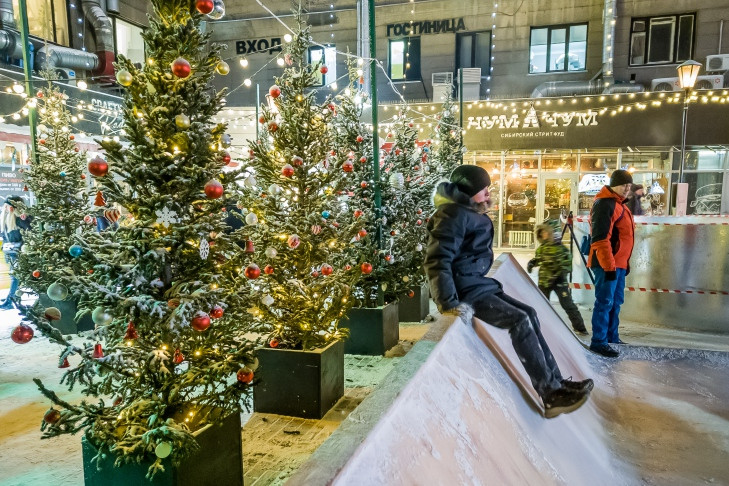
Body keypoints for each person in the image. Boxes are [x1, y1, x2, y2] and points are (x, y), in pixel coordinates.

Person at [424, 165, 593, 419]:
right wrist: (447, 301)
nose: (488, 193)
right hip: (464, 289)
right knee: (520, 320)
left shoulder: (466, 211)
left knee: (530, 313)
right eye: (484, 189)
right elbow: (438, 259)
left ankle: (556, 382)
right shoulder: (452, 214)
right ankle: (550, 394)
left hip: (476, 283)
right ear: (470, 192)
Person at [587, 169, 635, 357]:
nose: (626, 189)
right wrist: (609, 266)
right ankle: (598, 341)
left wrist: (624, 263)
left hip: (619, 264)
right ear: (614, 184)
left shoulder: (620, 205)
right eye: (624, 185)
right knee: (605, 302)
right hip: (607, 264)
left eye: (629, 186)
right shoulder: (605, 204)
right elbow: (600, 239)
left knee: (616, 302)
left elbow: (622, 238)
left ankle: (611, 337)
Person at [527, 225, 588, 335]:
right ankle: (538, 326)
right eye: (541, 233)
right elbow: (539, 260)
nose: (543, 235)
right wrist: (532, 263)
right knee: (541, 304)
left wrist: (561, 274)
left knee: (568, 304)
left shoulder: (560, 248)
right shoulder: (541, 248)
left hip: (559, 282)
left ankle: (580, 328)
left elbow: (568, 264)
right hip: (544, 282)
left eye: (545, 232)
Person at [1, 196, 31, 309]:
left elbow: (30, 232)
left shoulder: (20, 219)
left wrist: (25, 219)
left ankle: (10, 300)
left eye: (7, 206)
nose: (5, 208)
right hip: (9, 251)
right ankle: (13, 297)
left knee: (15, 276)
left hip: (18, 252)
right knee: (15, 276)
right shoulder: (6, 219)